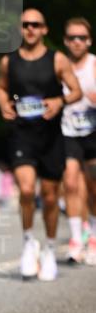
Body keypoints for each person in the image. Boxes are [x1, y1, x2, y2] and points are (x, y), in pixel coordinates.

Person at [0, 9, 81, 281]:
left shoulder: (57, 59)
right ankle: (29, 242)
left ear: (44, 29)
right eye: (25, 25)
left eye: (36, 25)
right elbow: (0, 87)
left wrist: (60, 102)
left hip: (51, 136)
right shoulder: (9, 61)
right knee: (28, 190)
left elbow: (75, 90)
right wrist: (3, 104)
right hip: (22, 134)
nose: (30, 29)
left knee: (52, 196)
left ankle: (50, 248)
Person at [60, 17, 96, 265]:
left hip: (93, 132)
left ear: (89, 41)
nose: (77, 42)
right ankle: (76, 240)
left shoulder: (94, 65)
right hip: (68, 131)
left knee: (93, 186)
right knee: (71, 183)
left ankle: (93, 234)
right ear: (65, 41)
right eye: (72, 37)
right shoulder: (59, 65)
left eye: (81, 38)